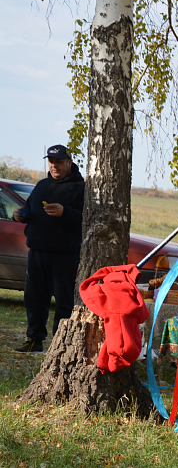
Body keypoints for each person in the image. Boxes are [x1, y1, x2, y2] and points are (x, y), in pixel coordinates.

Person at [12, 145, 85, 353]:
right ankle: (34, 339)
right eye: (51, 162)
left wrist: (65, 212)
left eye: (59, 162)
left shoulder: (80, 188)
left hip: (65, 255)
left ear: (69, 163)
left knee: (64, 302)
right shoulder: (42, 185)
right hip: (36, 252)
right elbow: (29, 209)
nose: (54, 166)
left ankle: (59, 346)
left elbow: (87, 219)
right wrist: (20, 215)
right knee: (34, 298)